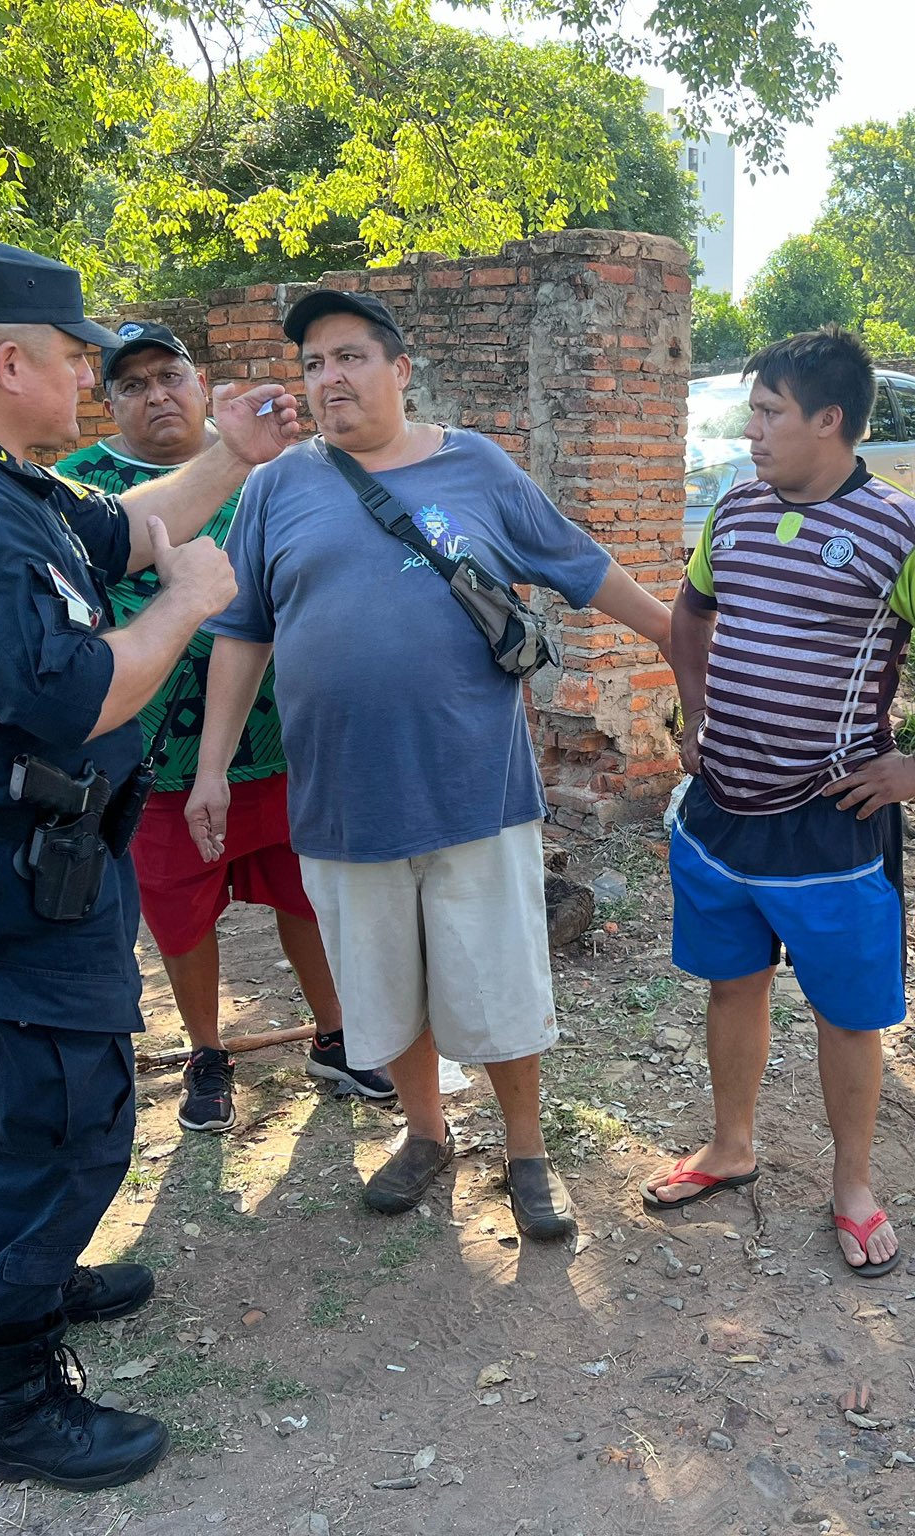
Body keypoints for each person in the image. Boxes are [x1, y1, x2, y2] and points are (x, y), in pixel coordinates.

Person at [0, 241, 300, 1490]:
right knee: (55, 1116)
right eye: (73, 355)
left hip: (32, 856)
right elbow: (65, 694)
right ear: (12, 361)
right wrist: (185, 606)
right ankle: (18, 1397)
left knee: (25, 1088)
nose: (88, 375)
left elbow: (120, 531)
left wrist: (233, 451)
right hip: (9, 857)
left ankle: (37, 1280)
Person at [190, 290, 673, 1243]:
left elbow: (576, 563)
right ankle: (426, 1133)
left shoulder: (476, 467)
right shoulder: (278, 487)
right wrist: (212, 766)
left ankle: (528, 1152)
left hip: (473, 788)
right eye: (314, 364)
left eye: (350, 357)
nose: (330, 378)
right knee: (384, 983)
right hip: (341, 796)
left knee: (497, 981)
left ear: (400, 369)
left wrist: (679, 636)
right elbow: (242, 635)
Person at [647, 327, 915, 1277]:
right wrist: (696, 715)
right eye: (753, 411)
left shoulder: (898, 530)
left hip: (832, 819)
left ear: (830, 421)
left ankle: (853, 1184)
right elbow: (690, 615)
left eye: (770, 412)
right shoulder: (732, 512)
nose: (754, 432)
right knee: (732, 983)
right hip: (722, 806)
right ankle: (732, 1147)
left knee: (845, 1012)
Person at [55, 321, 392, 1131]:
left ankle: (337, 1033)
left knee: (309, 893)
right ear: (109, 403)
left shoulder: (273, 469)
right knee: (180, 909)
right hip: (158, 755)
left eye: (168, 375)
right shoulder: (82, 489)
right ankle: (206, 1050)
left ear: (202, 383)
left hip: (288, 739)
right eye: (131, 385)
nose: (155, 395)